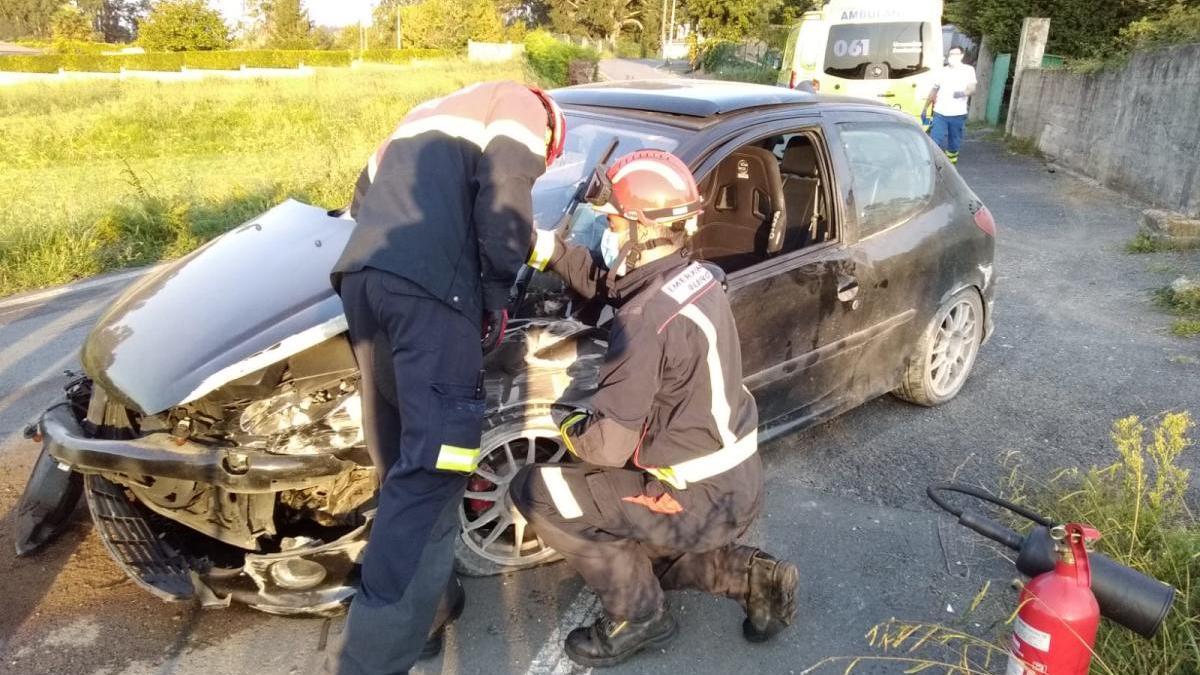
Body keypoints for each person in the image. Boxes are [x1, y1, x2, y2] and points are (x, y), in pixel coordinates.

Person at [511, 149, 799, 668]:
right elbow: (609, 284)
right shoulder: (693, 275)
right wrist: (542, 246)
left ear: (643, 231)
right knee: (635, 547)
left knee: (538, 492)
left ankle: (638, 619)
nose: (607, 232)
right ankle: (753, 577)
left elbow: (606, 444)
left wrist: (564, 419)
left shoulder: (644, 320)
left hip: (693, 497)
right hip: (731, 481)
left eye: (614, 222)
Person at [323, 81, 566, 675]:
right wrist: (492, 294)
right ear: (552, 132)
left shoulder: (425, 110)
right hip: (431, 299)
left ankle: (428, 608)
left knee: (402, 462)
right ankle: (369, 662)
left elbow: (361, 199)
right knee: (437, 470)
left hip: (362, 282)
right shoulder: (523, 104)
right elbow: (506, 196)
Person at [923, 46, 977, 164]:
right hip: (940, 113)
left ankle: (951, 164)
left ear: (962, 56)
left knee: (954, 141)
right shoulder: (942, 71)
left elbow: (972, 88)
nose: (952, 57)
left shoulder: (968, 70)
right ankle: (932, 164)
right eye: (951, 54)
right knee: (935, 139)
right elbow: (934, 90)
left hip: (958, 113)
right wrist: (925, 107)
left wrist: (963, 93)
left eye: (956, 54)